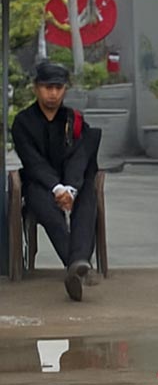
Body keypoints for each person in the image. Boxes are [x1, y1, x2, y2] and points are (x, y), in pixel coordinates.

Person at [11, 60, 102, 301]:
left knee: (86, 202)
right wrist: (56, 187)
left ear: (65, 89)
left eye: (58, 88)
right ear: (36, 88)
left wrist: (70, 188)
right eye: (47, 87)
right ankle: (77, 264)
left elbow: (80, 157)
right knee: (47, 209)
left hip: (75, 183)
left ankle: (77, 264)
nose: (53, 93)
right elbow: (32, 161)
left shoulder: (74, 120)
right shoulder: (23, 122)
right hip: (40, 183)